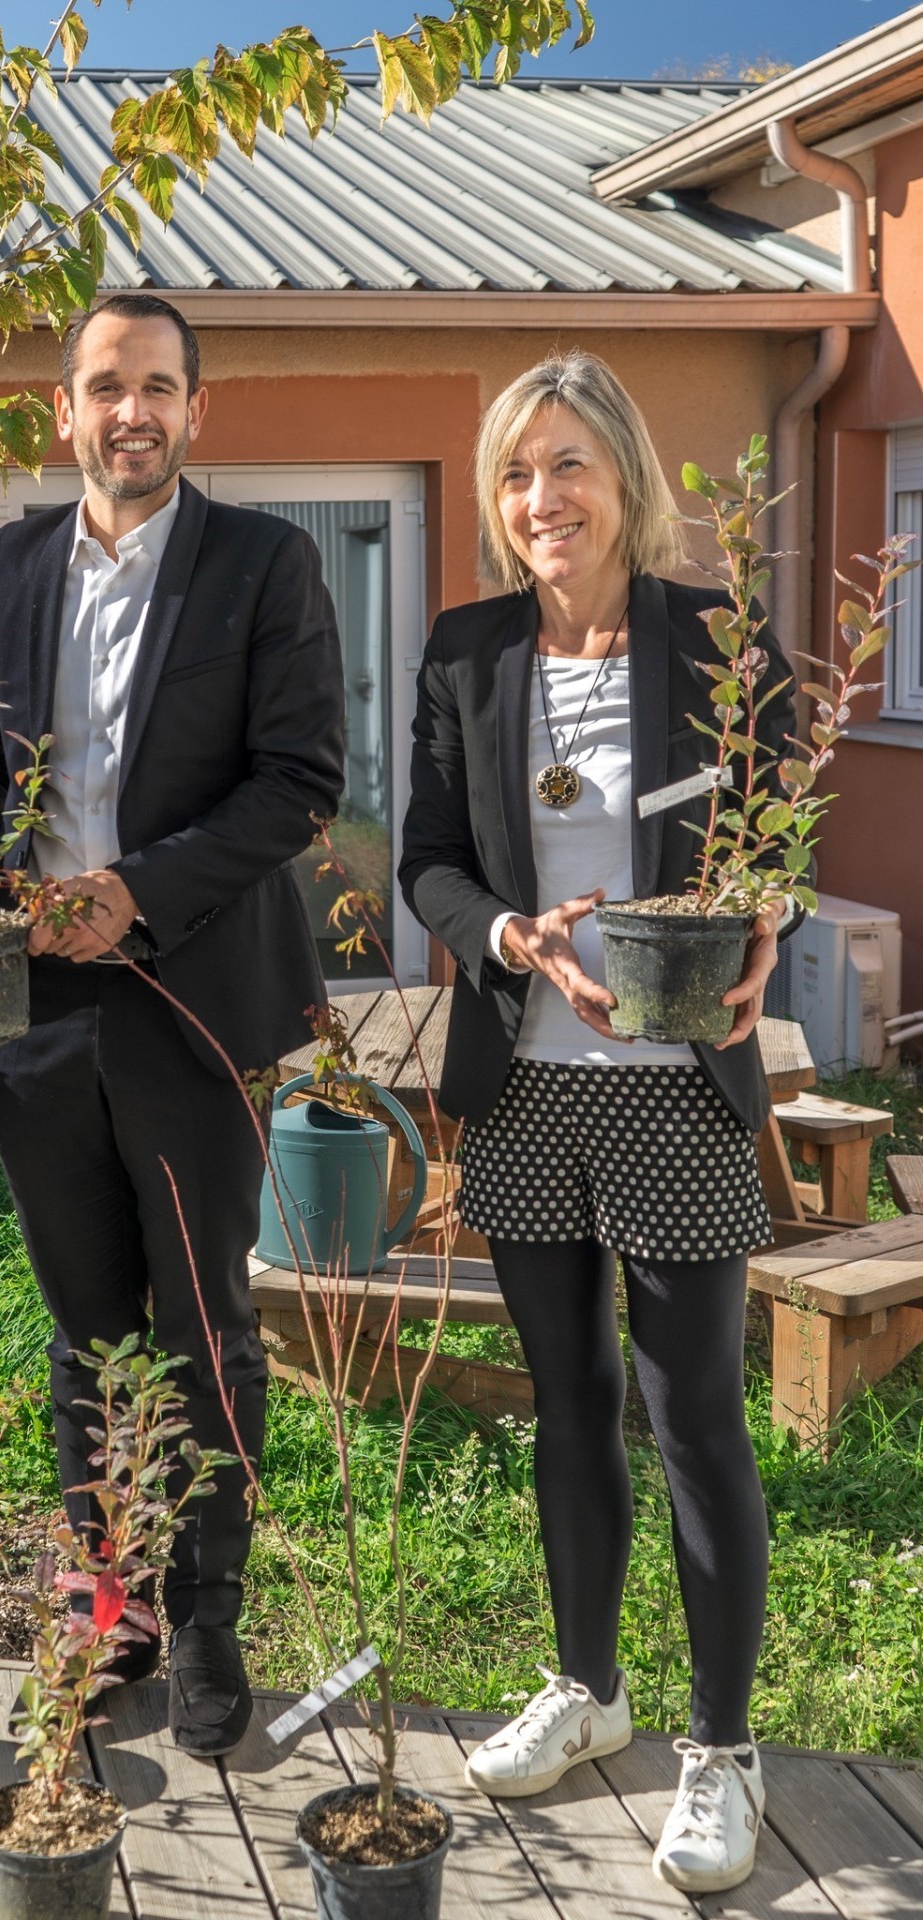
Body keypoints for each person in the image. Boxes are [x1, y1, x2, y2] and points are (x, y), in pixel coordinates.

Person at [0, 292, 345, 1755]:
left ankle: (210, 1614)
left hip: (193, 995)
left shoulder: (266, 565)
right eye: (106, 386)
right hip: (37, 1009)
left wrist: (135, 894)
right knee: (87, 1323)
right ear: (66, 410)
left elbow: (299, 782)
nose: (132, 412)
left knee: (207, 1326)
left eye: (158, 386)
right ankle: (117, 1614)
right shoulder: (10, 566)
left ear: (194, 411)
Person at [399, 350, 792, 1895]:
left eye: (566, 463)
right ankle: (589, 1686)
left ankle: (720, 1751)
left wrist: (761, 934)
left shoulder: (715, 643)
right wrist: (506, 937)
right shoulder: (467, 651)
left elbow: (770, 839)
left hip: (675, 1093)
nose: (539, 497)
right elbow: (430, 855)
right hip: (526, 1083)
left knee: (693, 1417)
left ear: (623, 474)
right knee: (566, 1407)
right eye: (514, 472)